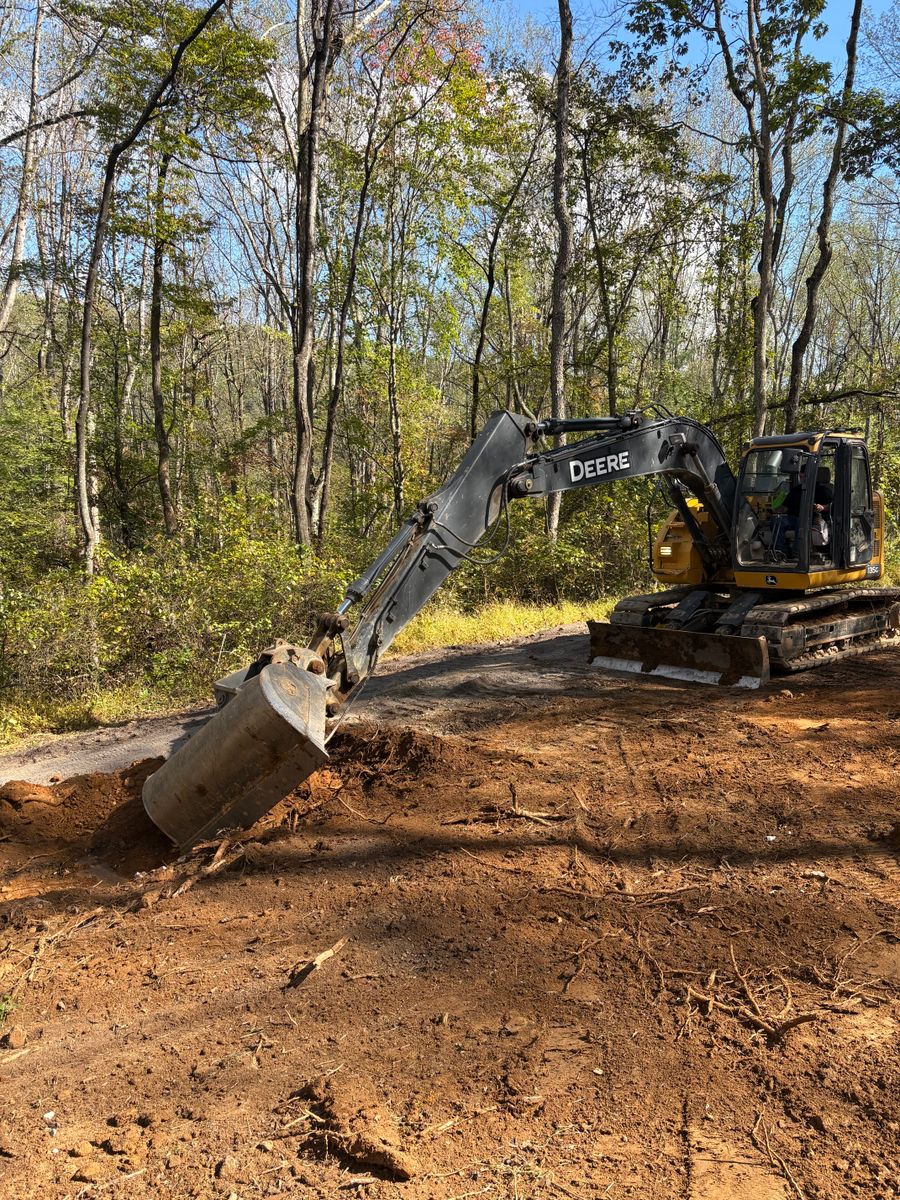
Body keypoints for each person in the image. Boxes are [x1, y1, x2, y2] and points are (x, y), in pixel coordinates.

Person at [773, 466, 834, 557]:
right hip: (794, 518)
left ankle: (798, 553)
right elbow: (785, 507)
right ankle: (781, 552)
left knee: (801, 521)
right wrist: (773, 512)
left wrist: (822, 507)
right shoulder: (796, 490)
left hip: (813, 518)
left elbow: (832, 506)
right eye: (800, 477)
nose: (802, 479)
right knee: (777, 521)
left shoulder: (823, 491)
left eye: (804, 477)